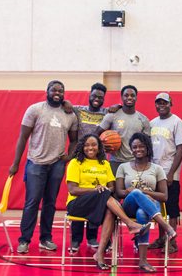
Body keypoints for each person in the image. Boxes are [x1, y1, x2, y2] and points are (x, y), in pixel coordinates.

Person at [9, 80, 78, 254]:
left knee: (50, 203)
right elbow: (23, 137)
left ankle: (45, 239)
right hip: (36, 163)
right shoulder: (35, 109)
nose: (57, 92)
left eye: (61, 90)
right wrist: (16, 163)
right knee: (32, 202)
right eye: (54, 89)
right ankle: (24, 240)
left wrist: (68, 157)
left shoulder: (70, 114)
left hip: (57, 164)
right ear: (47, 91)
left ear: (64, 93)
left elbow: (75, 140)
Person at [66, 133, 150, 270]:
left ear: (99, 148)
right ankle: (130, 224)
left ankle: (99, 254)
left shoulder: (104, 164)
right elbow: (72, 190)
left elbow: (112, 186)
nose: (90, 148)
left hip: (100, 201)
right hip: (77, 204)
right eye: (87, 145)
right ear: (82, 147)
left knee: (110, 210)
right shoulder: (75, 163)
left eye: (94, 145)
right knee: (105, 194)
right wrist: (95, 190)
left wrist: (102, 190)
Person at [116, 132, 176, 273]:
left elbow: (164, 196)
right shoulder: (123, 167)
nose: (138, 149)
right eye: (134, 147)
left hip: (150, 206)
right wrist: (137, 192)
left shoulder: (157, 169)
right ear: (131, 149)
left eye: (141, 146)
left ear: (148, 148)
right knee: (136, 193)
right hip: (129, 206)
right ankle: (166, 227)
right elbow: (119, 192)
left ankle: (143, 261)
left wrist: (145, 192)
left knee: (142, 212)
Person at [68, 82, 110, 252]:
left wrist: (116, 107)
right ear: (89, 95)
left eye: (100, 97)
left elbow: (118, 112)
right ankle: (76, 240)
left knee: (99, 198)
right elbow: (67, 105)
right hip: (81, 156)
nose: (96, 99)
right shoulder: (78, 110)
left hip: (98, 158)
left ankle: (92, 237)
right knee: (83, 198)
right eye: (94, 95)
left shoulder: (107, 113)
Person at [148, 92, 182, 254]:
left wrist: (171, 173)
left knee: (171, 209)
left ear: (170, 104)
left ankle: (172, 242)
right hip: (154, 173)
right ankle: (161, 238)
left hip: (169, 173)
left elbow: (181, 148)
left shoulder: (177, 122)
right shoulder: (152, 123)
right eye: (158, 103)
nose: (161, 105)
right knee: (158, 209)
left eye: (164, 102)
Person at [96, 85, 150, 175]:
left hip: (135, 162)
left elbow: (147, 144)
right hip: (115, 161)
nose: (129, 97)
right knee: (113, 188)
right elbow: (96, 134)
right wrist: (102, 145)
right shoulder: (112, 115)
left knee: (133, 189)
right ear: (122, 97)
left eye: (132, 95)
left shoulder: (143, 119)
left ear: (136, 97)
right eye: (126, 95)